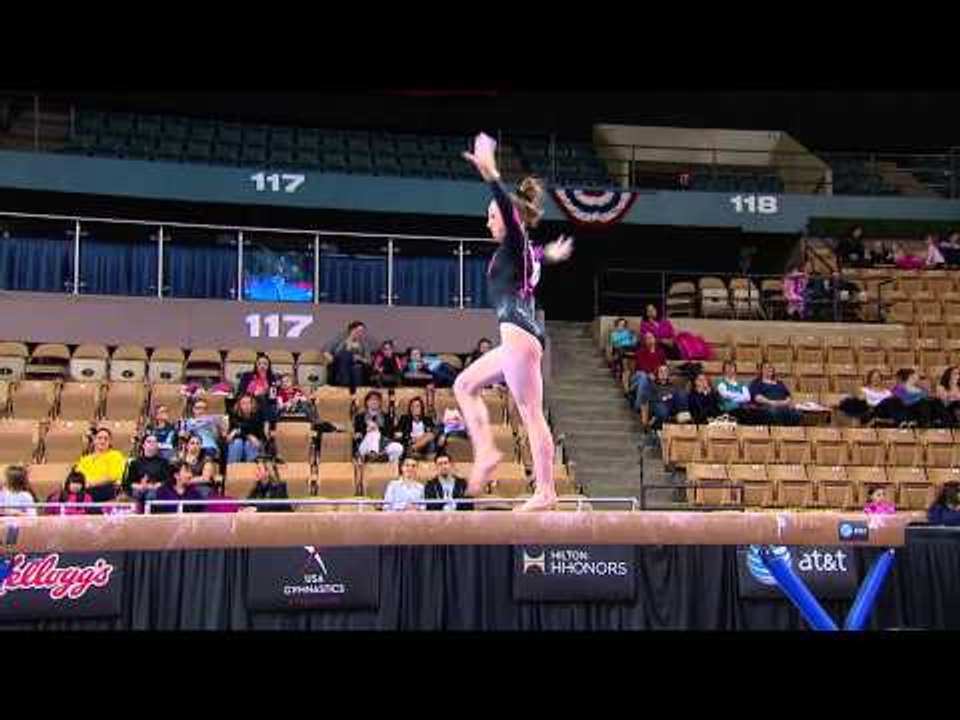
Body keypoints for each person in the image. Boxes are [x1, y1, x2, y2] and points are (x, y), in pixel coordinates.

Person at [457, 132, 574, 511]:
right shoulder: (522, 252)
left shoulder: (514, 241)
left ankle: (545, 491)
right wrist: (551, 254)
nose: (487, 221)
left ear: (511, 220)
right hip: (521, 338)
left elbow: (510, 216)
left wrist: (491, 174)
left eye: (492, 215)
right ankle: (487, 451)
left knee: (530, 414)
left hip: (519, 335)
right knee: (464, 384)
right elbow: (534, 255)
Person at [75, 427, 129, 503]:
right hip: (86, 488)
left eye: (106, 439)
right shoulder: (85, 459)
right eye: (99, 438)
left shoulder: (115, 455)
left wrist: (92, 483)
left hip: (106, 488)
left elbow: (113, 476)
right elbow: (77, 476)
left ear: (110, 442)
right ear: (94, 440)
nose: (102, 441)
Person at [323, 320, 378, 389]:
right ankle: (345, 381)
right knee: (346, 355)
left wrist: (360, 358)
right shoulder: (340, 339)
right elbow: (326, 351)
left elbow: (369, 361)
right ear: (351, 330)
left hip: (356, 366)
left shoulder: (364, 344)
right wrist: (331, 358)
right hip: (339, 363)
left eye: (362, 332)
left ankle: (345, 383)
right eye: (358, 331)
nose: (360, 333)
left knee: (352, 363)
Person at [353, 390, 403, 462]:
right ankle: (374, 454)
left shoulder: (387, 417)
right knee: (373, 433)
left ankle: (384, 463)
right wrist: (366, 430)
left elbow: (390, 434)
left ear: (380, 403)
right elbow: (357, 434)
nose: (374, 402)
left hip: (383, 445)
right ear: (367, 402)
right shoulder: (359, 417)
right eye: (371, 399)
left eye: (376, 400)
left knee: (398, 448)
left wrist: (378, 429)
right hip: (365, 445)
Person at [123, 434, 171, 507]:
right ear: (143, 445)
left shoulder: (163, 462)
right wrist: (140, 486)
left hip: (156, 489)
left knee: (151, 494)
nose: (152, 444)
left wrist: (152, 486)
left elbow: (167, 481)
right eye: (149, 442)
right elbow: (128, 483)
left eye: (154, 442)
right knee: (138, 493)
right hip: (138, 489)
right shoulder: (135, 463)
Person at [629, 331, 668, 414]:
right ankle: (638, 406)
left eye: (651, 337)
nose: (649, 340)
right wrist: (650, 374)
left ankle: (638, 405)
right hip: (638, 376)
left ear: (655, 339)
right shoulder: (640, 351)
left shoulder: (660, 352)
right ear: (644, 341)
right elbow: (641, 366)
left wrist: (655, 374)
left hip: (652, 377)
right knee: (643, 376)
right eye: (647, 338)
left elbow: (663, 366)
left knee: (644, 381)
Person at [226, 394, 270, 464]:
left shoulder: (258, 416)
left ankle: (252, 470)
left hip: (254, 445)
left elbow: (262, 437)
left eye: (249, 403)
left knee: (249, 444)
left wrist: (239, 431)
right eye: (243, 403)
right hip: (237, 445)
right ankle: (233, 471)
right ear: (239, 405)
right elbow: (228, 438)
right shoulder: (233, 416)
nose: (246, 406)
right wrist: (248, 435)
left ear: (253, 404)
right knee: (238, 443)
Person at [646, 364, 689, 429]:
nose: (663, 373)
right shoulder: (653, 385)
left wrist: (670, 397)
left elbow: (677, 397)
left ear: (668, 374)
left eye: (665, 371)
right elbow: (653, 399)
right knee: (662, 409)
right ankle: (656, 421)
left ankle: (682, 416)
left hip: (671, 405)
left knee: (681, 392)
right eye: (661, 371)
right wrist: (666, 397)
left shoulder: (673, 386)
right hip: (659, 405)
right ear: (657, 374)